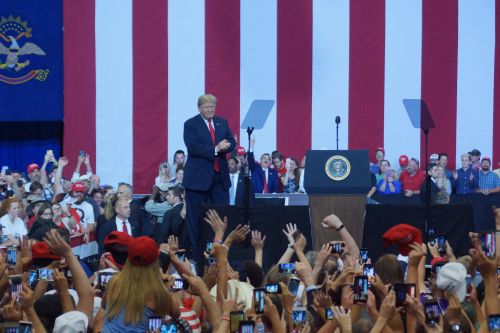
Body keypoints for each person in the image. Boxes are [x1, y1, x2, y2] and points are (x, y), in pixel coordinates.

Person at [183, 94, 236, 255]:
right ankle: (197, 255)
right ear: (199, 108)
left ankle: (221, 251)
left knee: (222, 215)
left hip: (220, 179)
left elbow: (232, 142)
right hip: (198, 180)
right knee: (196, 219)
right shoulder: (191, 124)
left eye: (212, 106)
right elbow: (193, 147)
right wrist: (215, 149)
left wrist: (226, 146)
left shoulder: (222, 122)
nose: (210, 110)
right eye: (207, 107)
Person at [102, 236, 180, 332]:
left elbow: (104, 305)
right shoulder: (159, 293)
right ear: (156, 261)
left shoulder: (114, 281)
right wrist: (168, 289)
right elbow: (176, 314)